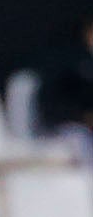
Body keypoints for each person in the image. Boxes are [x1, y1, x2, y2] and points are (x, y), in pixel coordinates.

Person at [36, 14, 93, 165]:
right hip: (70, 127)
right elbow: (52, 102)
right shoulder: (69, 64)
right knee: (80, 140)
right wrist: (83, 117)